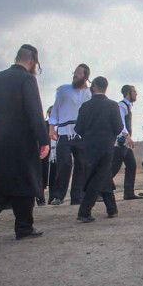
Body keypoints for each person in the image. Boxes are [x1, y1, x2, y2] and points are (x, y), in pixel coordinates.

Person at [0, 44, 50, 242]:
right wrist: (43, 139)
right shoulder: (27, 79)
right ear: (32, 62)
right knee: (26, 180)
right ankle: (21, 227)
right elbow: (34, 111)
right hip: (22, 136)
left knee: (6, 180)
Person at [74, 76, 124, 222]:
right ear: (105, 87)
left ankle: (111, 209)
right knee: (100, 175)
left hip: (89, 146)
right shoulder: (113, 105)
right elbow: (119, 127)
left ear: (94, 87)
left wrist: (88, 137)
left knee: (100, 175)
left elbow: (78, 128)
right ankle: (85, 212)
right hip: (107, 146)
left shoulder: (85, 106)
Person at [47, 63, 91, 205]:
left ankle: (77, 197)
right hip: (65, 133)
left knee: (81, 165)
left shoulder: (90, 93)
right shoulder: (63, 90)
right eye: (74, 72)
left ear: (85, 76)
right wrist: (51, 128)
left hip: (82, 134)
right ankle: (58, 196)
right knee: (64, 163)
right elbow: (55, 110)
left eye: (78, 73)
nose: (75, 75)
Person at [112, 85, 138, 200]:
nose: (136, 94)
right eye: (134, 92)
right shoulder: (122, 105)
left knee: (131, 165)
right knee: (113, 168)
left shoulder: (127, 106)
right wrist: (127, 136)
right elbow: (120, 122)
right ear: (128, 92)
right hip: (120, 142)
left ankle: (129, 193)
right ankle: (98, 192)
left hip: (125, 143)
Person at [37, 105, 55, 206]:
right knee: (41, 175)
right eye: (50, 113)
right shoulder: (44, 124)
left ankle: (52, 198)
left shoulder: (61, 125)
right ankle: (40, 198)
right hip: (44, 153)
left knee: (54, 176)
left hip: (56, 154)